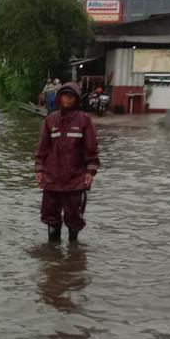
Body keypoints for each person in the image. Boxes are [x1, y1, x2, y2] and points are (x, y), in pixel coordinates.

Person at [35, 82, 99, 242]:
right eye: (65, 95)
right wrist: (39, 169)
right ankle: (53, 254)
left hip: (75, 179)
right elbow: (42, 149)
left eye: (71, 96)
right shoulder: (51, 120)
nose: (68, 99)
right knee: (50, 215)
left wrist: (90, 172)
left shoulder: (84, 120)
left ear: (76, 99)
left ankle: (73, 251)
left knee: (74, 217)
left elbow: (91, 149)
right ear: (59, 97)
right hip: (51, 179)